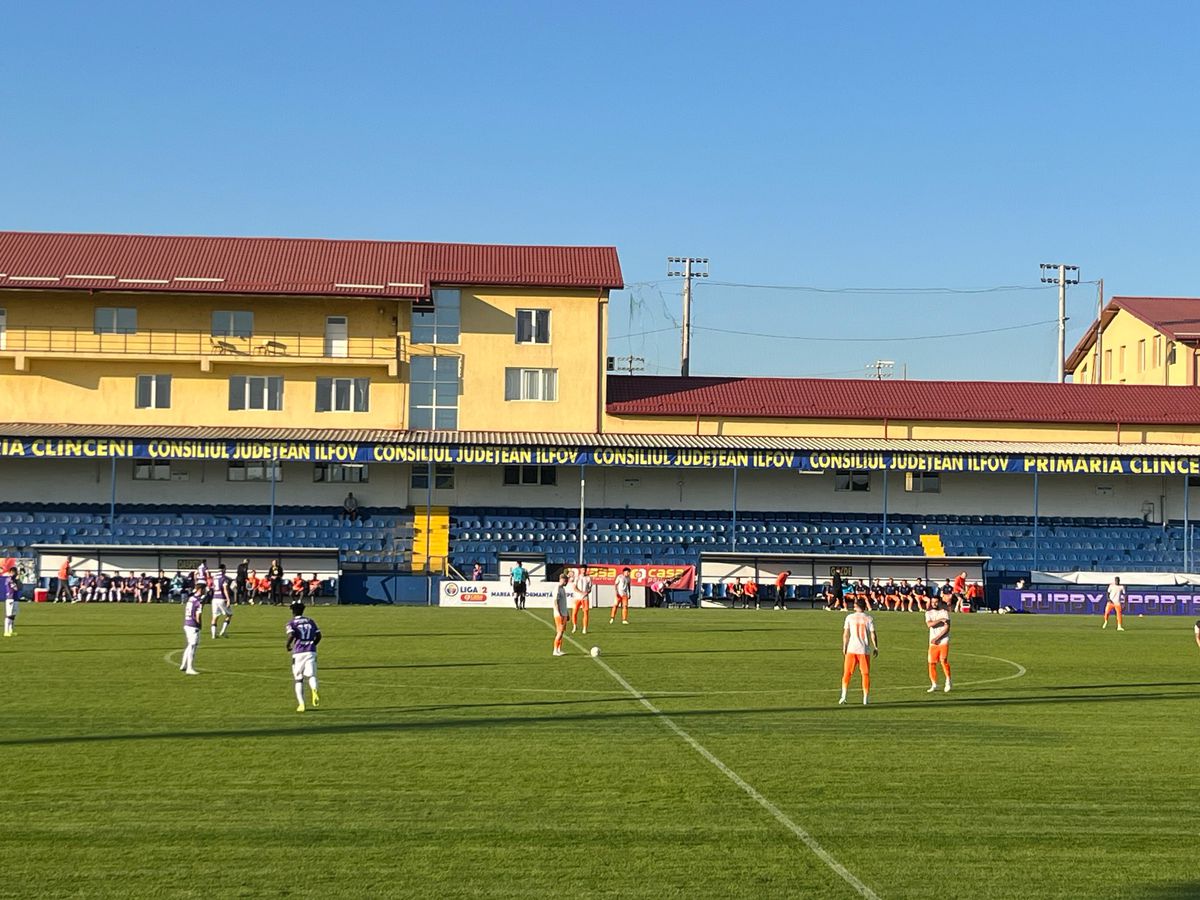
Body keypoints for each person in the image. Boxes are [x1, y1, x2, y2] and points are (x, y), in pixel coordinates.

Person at [840, 598, 878, 706]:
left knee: (847, 673)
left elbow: (846, 634)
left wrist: (844, 646)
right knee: (865, 674)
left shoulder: (849, 617)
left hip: (851, 649)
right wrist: (876, 647)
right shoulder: (869, 618)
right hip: (864, 650)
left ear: (856, 606)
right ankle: (865, 698)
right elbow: (873, 634)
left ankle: (844, 696)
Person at [285, 601, 322, 713]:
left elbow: (291, 635)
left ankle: (301, 704)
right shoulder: (310, 621)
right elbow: (319, 635)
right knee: (311, 675)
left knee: (298, 679)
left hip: (298, 652)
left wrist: (287, 645)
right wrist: (312, 644)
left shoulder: (291, 623)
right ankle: (314, 689)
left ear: (293, 612)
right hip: (311, 651)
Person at [925, 599, 952, 693]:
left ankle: (948, 680)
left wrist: (937, 638)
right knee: (931, 662)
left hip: (943, 639)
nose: (934, 604)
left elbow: (947, 627)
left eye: (936, 602)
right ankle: (934, 684)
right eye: (932, 602)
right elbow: (929, 624)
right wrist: (940, 620)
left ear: (940, 602)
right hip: (933, 641)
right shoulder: (928, 613)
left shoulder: (945, 612)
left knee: (943, 660)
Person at [180, 588, 203, 675]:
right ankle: (189, 668)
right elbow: (198, 615)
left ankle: (183, 664)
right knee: (193, 646)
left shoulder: (191, 599)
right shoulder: (198, 601)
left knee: (190, 645)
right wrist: (199, 625)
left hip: (187, 623)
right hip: (193, 625)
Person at [211, 565, 233, 639]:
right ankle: (223, 631)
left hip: (214, 598)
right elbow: (225, 589)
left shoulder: (214, 577)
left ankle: (213, 635)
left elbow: (212, 587)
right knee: (229, 615)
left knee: (215, 616)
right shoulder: (224, 578)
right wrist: (228, 599)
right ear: (223, 569)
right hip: (221, 598)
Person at [552, 573, 571, 656]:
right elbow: (556, 602)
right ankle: (555, 650)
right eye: (566, 581)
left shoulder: (562, 589)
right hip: (559, 614)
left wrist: (567, 613)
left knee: (561, 632)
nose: (566, 583)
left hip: (563, 614)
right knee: (559, 632)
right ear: (562, 580)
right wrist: (559, 612)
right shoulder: (557, 589)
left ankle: (559, 649)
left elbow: (563, 603)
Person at [570, 565, 593, 634]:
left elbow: (590, 588)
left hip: (585, 598)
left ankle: (584, 628)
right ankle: (574, 626)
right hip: (577, 597)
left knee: (585, 613)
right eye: (583, 569)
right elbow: (574, 588)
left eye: (585, 569)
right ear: (580, 570)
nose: (584, 570)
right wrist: (581, 592)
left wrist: (587, 592)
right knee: (574, 613)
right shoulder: (577, 578)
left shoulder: (588, 578)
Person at [3, 565, 20, 637]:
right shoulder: (10, 579)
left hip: (15, 598)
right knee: (9, 615)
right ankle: (6, 631)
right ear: (11, 572)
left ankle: (11, 630)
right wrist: (17, 581)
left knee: (13, 615)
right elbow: (16, 588)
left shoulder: (12, 579)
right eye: (14, 572)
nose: (15, 574)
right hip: (10, 598)